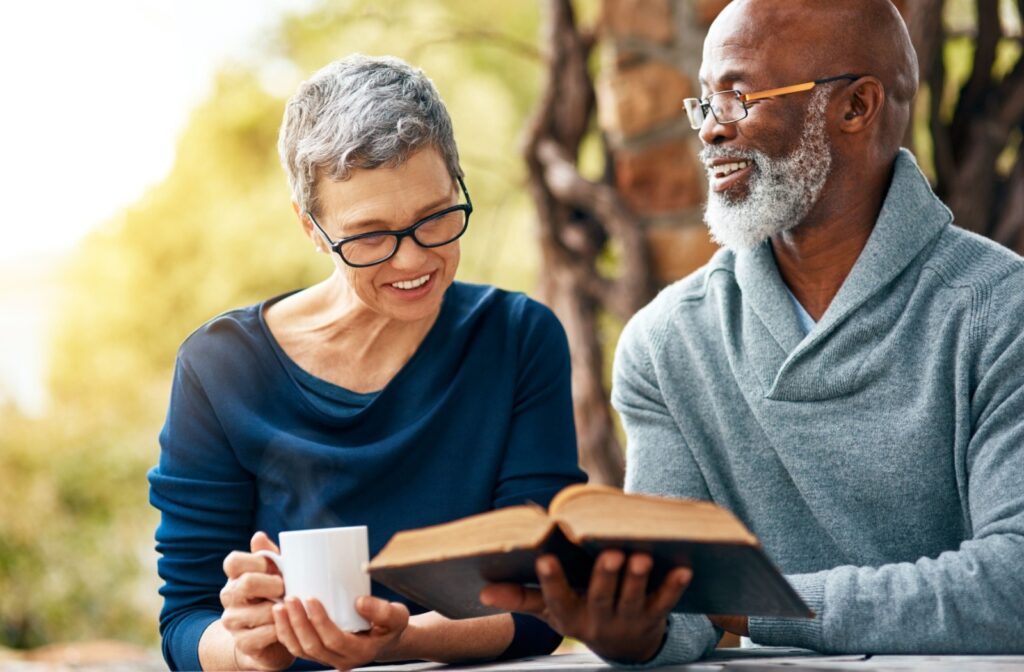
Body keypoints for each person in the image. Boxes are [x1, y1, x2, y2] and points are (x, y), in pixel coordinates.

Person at [481, 0, 1024, 664]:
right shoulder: (666, 343)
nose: (709, 130)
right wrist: (630, 629)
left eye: (737, 97)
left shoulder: (1003, 310)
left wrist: (753, 602)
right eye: (703, 102)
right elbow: (679, 612)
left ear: (856, 108)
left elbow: (1013, 585)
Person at [148, 54, 585, 671]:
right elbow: (187, 619)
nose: (412, 261)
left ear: (457, 184)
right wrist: (251, 654)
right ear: (312, 228)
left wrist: (402, 641)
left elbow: (543, 602)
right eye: (371, 235)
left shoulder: (515, 340)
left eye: (435, 218)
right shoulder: (221, 368)